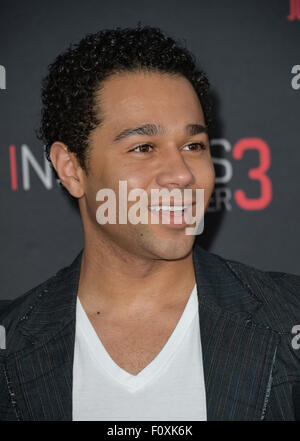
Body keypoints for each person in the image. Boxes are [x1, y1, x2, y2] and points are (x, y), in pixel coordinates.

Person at [0, 25, 299, 421]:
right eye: (143, 148)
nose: (181, 175)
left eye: (193, 146)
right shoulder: (11, 343)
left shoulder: (288, 319)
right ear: (71, 169)